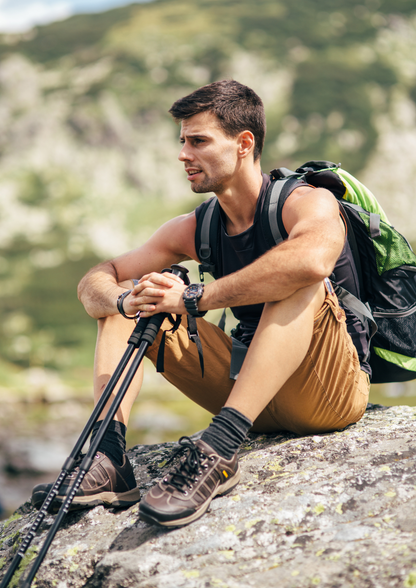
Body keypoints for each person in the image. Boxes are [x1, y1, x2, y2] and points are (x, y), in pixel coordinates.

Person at [32, 79, 370, 527]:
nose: (183, 154)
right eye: (181, 142)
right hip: (250, 390)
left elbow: (311, 261)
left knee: (299, 278)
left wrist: (196, 297)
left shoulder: (306, 201)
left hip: (327, 393)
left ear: (243, 143)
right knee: (138, 292)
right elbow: (96, 279)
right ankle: (109, 457)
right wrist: (125, 299)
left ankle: (220, 449)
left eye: (198, 141)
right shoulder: (198, 225)